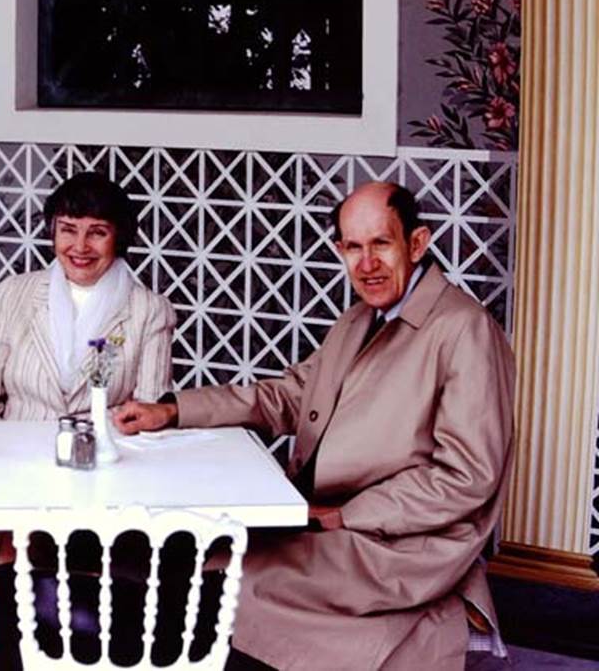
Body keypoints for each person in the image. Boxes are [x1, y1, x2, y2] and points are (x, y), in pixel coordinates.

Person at [115, 182, 515, 670]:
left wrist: (345, 516)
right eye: (353, 247)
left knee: (231, 582)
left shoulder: (464, 329)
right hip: (320, 515)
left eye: (381, 244)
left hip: (396, 541)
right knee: (191, 555)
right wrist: (173, 411)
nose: (366, 264)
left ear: (417, 243)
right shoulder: (357, 320)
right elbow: (287, 396)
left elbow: (466, 476)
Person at [0, 171, 175, 420]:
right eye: (68, 230)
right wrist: (5, 454)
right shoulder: (12, 293)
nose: (80, 246)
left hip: (104, 453)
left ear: (119, 238)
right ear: (53, 232)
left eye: (97, 232)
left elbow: (148, 416)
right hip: (16, 453)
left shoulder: (150, 310)